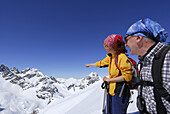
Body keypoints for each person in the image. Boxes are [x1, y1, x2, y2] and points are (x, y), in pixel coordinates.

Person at [124, 18, 170, 114]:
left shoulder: (168, 58)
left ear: (138, 38)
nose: (125, 45)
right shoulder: (144, 62)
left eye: (126, 39)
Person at [86, 34, 132, 114]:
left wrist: (109, 80)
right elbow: (101, 63)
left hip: (120, 92)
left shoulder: (122, 57)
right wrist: (90, 64)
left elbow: (127, 77)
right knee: (108, 112)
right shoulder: (111, 57)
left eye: (106, 46)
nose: (105, 48)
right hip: (111, 91)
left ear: (113, 47)